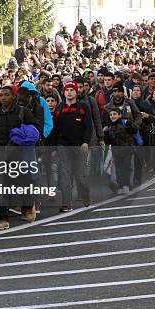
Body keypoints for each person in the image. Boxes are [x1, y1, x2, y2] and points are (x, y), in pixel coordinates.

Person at [0, 85, 38, 229]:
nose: (3, 98)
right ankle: (3, 218)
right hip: (0, 155)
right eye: (1, 95)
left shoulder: (22, 112)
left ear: (14, 96)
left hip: (19, 155)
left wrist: (23, 138)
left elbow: (34, 129)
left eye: (6, 95)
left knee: (22, 184)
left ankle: (29, 206)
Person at [52, 82, 94, 212]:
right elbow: (55, 130)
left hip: (79, 146)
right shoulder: (59, 108)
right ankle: (66, 204)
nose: (69, 92)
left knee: (80, 175)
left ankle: (85, 192)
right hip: (63, 146)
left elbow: (88, 126)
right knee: (65, 175)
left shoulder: (83, 107)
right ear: (64, 92)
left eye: (72, 90)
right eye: (67, 90)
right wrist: (53, 148)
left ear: (76, 92)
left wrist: (86, 142)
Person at [104, 107, 138, 194]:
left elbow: (134, 130)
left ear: (119, 115)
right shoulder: (110, 126)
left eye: (114, 114)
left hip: (128, 150)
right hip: (117, 151)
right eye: (111, 115)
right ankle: (121, 185)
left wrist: (130, 124)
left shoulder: (125, 122)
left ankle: (127, 185)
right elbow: (109, 141)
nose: (112, 116)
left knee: (127, 167)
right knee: (118, 169)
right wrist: (105, 133)